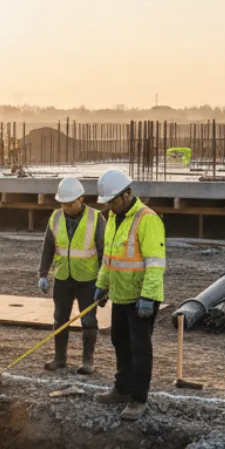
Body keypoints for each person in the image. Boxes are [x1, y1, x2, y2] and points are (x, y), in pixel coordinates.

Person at [92, 167, 166, 420]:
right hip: (121, 294)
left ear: (127, 194)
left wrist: (147, 297)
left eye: (113, 201)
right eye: (108, 202)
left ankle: (138, 398)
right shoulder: (113, 218)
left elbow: (155, 263)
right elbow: (109, 258)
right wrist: (102, 285)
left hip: (141, 297)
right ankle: (122, 388)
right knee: (119, 341)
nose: (110, 206)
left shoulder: (148, 219)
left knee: (140, 347)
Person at [38, 176, 105, 374]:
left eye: (70, 204)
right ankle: (59, 359)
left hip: (88, 279)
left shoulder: (96, 218)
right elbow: (47, 248)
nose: (66, 208)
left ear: (80, 199)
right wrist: (43, 274)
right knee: (60, 319)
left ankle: (87, 361)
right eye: (63, 204)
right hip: (62, 277)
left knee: (88, 321)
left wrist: (104, 283)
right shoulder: (55, 217)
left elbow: (104, 251)